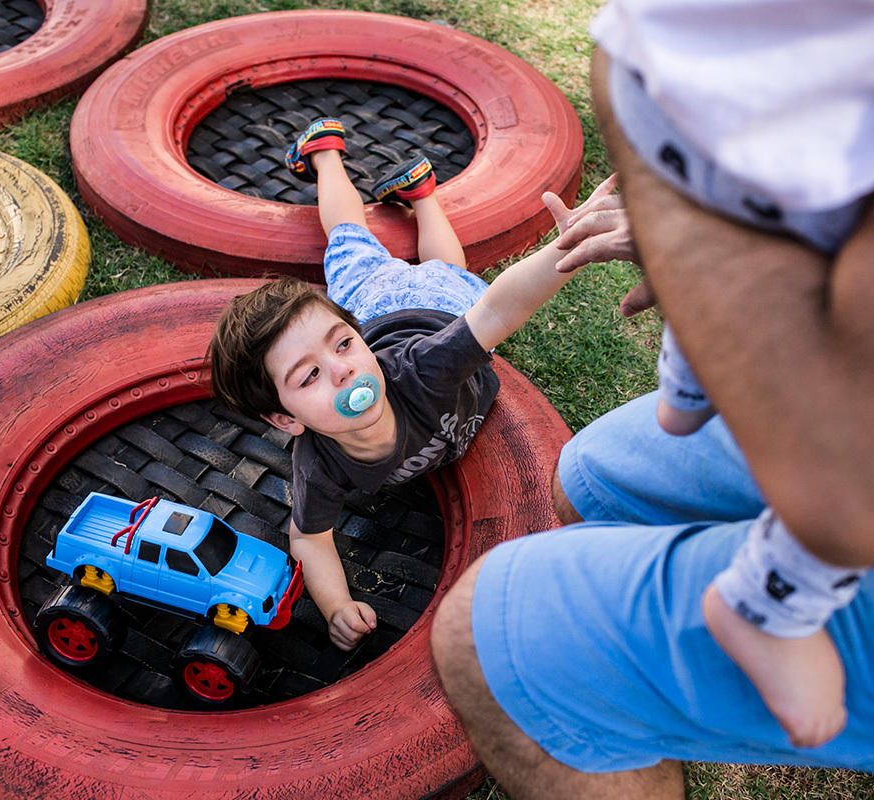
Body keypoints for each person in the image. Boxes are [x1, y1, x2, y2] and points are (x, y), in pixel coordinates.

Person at [431, 0, 874, 796]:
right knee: (589, 481)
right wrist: (693, 221)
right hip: (776, 189)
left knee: (499, 643)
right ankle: (697, 410)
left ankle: (769, 608)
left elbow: (853, 491)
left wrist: (686, 209)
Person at [209, 118, 612, 651]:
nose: (342, 369)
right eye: (308, 376)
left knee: (358, 243)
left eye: (342, 344)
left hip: (403, 305)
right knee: (443, 263)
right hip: (402, 308)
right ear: (286, 419)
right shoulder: (319, 463)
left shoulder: (421, 371)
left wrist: (567, 249)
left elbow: (498, 309)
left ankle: (324, 153)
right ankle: (420, 195)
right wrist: (336, 605)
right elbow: (309, 537)